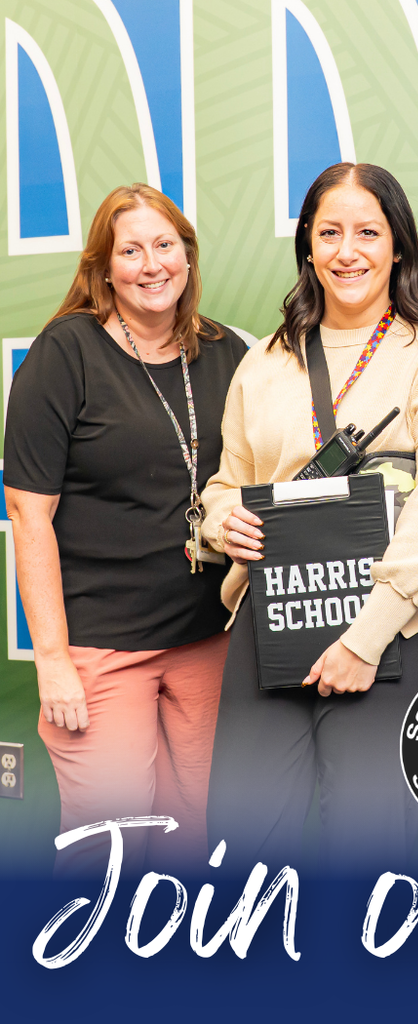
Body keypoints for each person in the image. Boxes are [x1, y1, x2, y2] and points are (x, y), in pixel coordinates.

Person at [200, 162, 418, 876]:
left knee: (369, 853)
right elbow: (225, 485)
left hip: (386, 640)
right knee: (241, 848)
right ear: (307, 247)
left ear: (399, 247)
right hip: (271, 629)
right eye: (329, 232)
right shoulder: (265, 362)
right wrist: (218, 523)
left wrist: (365, 637)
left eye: (368, 231)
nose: (347, 250)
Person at [3, 184, 248, 877]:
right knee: (108, 845)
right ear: (103, 268)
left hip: (206, 640)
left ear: (189, 257)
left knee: (198, 840)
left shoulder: (224, 352)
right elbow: (29, 514)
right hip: (99, 651)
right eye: (130, 250)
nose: (151, 264)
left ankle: (176, 982)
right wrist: (52, 659)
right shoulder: (67, 352)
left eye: (165, 245)